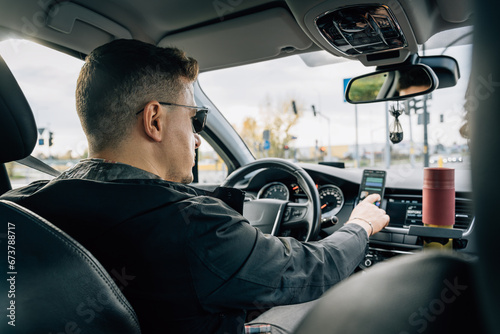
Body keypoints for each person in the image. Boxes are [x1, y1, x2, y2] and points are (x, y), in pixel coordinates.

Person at [0, 39, 389, 334]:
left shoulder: (19, 208)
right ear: (154, 120)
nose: (198, 138)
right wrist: (361, 226)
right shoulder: (192, 225)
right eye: (196, 120)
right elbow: (313, 271)